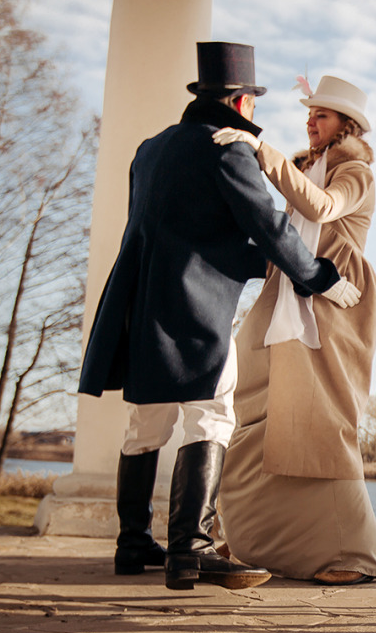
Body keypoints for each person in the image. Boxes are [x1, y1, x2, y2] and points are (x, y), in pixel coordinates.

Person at [78, 43, 361, 592]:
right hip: (193, 305)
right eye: (252, 102)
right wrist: (320, 277)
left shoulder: (149, 149)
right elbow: (269, 226)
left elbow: (176, 223)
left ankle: (132, 542)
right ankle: (191, 549)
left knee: (146, 422)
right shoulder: (225, 149)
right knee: (211, 414)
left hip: (138, 299)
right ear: (239, 102)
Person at [207, 74, 376, 585]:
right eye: (309, 113)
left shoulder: (355, 172)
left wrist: (258, 148)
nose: (310, 120)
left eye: (321, 115)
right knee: (249, 412)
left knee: (318, 422)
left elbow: (322, 208)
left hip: (336, 297)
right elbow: (282, 236)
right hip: (286, 292)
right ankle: (250, 537)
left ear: (345, 125)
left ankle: (353, 554)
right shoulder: (307, 168)